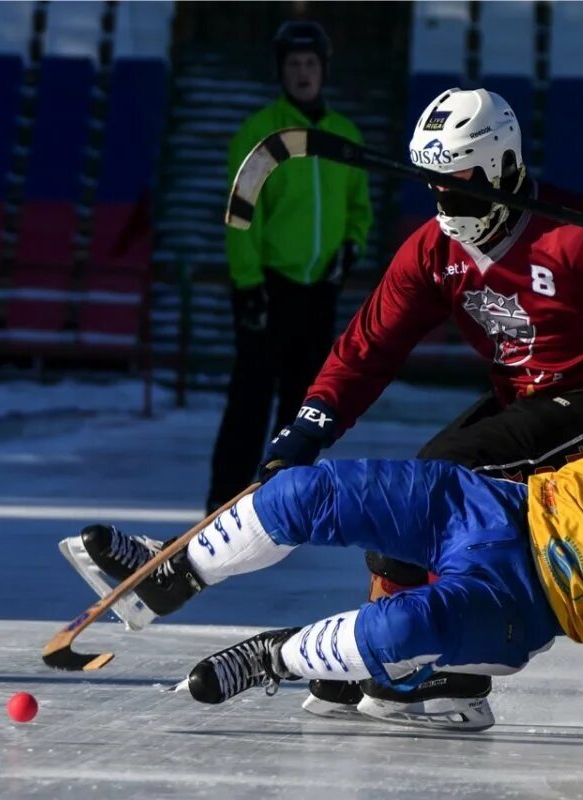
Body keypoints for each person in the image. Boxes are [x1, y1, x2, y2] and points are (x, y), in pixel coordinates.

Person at [66, 88, 583, 730]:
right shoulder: (436, 250)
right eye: (432, 183)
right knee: (402, 509)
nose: (444, 204)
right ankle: (224, 589)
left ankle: (412, 667)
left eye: (459, 187)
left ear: (501, 169)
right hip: (528, 402)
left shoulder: (575, 236)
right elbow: (371, 342)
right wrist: (313, 421)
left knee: (441, 478)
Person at [205, 20, 372, 512]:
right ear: (281, 71)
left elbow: (359, 207)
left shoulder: (344, 135)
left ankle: (281, 508)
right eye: (294, 64)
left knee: (302, 408)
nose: (303, 73)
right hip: (268, 289)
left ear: (323, 70)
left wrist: (351, 248)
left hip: (318, 290)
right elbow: (241, 219)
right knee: (249, 405)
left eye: (310, 64)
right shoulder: (259, 133)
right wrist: (247, 285)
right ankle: (222, 506)